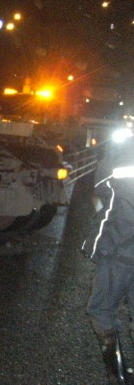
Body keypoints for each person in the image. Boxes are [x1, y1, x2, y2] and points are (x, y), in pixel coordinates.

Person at [83, 128, 134, 385]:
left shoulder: (123, 154)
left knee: (101, 309)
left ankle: (118, 374)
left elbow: (102, 189)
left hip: (119, 249)